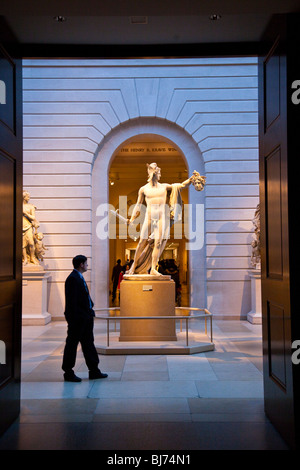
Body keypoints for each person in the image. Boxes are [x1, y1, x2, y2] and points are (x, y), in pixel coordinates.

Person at [128, 163, 204, 275]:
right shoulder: (143, 189)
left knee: (158, 243)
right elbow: (138, 205)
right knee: (141, 242)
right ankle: (133, 266)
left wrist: (191, 180)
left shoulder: (164, 186)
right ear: (154, 173)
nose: (160, 175)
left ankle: (153, 268)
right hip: (149, 217)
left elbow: (181, 186)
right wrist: (132, 218)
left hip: (161, 218)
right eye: (159, 173)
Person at [62, 255, 108, 382]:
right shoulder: (72, 278)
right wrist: (76, 318)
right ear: (81, 264)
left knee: (88, 344)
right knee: (72, 345)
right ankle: (68, 372)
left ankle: (94, 370)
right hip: (78, 319)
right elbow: (72, 302)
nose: (87, 265)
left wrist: (90, 308)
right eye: (86, 263)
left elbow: (84, 297)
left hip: (85, 318)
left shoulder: (78, 277)